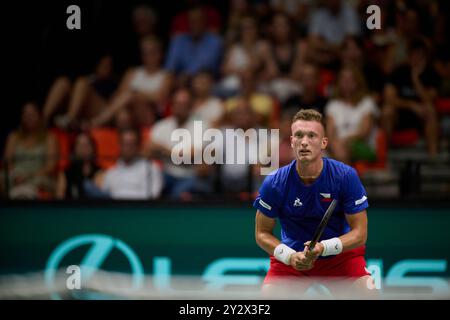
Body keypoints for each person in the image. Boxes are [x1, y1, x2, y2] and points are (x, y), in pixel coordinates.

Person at [254, 109, 376, 298]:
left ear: (323, 143)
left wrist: (323, 247)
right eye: (299, 136)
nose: (304, 141)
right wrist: (290, 256)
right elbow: (261, 233)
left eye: (312, 136)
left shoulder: (345, 176)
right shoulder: (275, 182)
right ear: (292, 141)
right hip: (292, 260)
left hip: (340, 259)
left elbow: (360, 233)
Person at [90, 37, 171, 128]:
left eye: (152, 52)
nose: (148, 56)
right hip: (128, 112)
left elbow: (160, 97)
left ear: (160, 54)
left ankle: (97, 122)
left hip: (150, 115)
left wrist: (136, 95)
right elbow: (120, 95)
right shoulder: (132, 72)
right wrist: (140, 95)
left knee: (130, 96)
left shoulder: (166, 75)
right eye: (145, 53)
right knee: (123, 115)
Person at [382, 37, 440, 156]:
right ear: (408, 55)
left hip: (421, 117)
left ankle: (433, 157)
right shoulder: (399, 72)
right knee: (387, 111)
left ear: (425, 57)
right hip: (400, 115)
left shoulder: (431, 73)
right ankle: (385, 157)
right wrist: (412, 105)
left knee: (430, 110)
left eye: (420, 55)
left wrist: (415, 79)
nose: (416, 58)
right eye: (413, 54)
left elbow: (429, 99)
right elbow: (389, 98)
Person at [325, 66, 380, 164]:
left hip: (361, 144)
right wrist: (335, 143)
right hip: (337, 145)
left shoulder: (367, 102)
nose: (346, 83)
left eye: (350, 79)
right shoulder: (333, 105)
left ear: (357, 82)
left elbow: (364, 132)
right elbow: (330, 133)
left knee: (340, 150)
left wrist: (344, 140)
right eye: (343, 79)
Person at [3, 102, 58, 199]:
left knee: (41, 182)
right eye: (26, 115)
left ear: (39, 116)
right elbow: (8, 163)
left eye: (32, 114)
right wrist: (16, 175)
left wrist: (28, 176)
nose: (29, 118)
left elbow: (50, 166)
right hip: (16, 175)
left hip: (39, 175)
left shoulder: (49, 138)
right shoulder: (13, 137)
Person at [165, 6, 223, 83]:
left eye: (199, 20)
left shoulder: (215, 42)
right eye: (192, 21)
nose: (195, 24)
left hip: (207, 84)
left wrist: (187, 75)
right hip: (180, 84)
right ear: (188, 22)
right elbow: (170, 68)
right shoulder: (178, 41)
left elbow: (207, 67)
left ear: (204, 22)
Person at [101, 128, 163, 200]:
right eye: (125, 144)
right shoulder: (111, 172)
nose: (128, 148)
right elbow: (105, 199)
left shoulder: (151, 168)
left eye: (131, 144)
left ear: (138, 146)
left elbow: (154, 195)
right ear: (119, 145)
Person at [55, 132, 103, 199]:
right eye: (80, 145)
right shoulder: (65, 173)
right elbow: (59, 200)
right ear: (74, 149)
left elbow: (99, 199)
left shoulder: (100, 172)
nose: (84, 148)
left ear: (93, 148)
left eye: (87, 144)